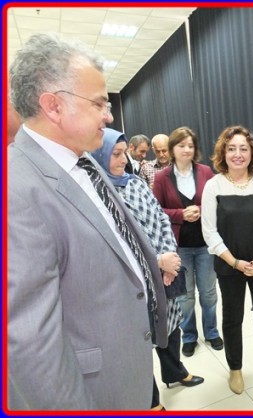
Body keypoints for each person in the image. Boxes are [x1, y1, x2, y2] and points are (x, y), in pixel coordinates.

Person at [7, 33, 167, 410]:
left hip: (125, 368)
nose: (108, 116)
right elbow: (31, 343)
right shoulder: (15, 191)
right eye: (99, 103)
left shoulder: (83, 160)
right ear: (54, 106)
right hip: (92, 393)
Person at [91, 128, 205, 411]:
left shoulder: (135, 182)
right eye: (115, 154)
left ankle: (174, 372)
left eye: (123, 154)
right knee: (141, 340)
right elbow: (119, 240)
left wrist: (169, 257)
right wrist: (157, 261)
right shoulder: (98, 192)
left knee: (170, 326)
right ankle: (151, 401)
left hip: (166, 271)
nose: (122, 160)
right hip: (135, 281)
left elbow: (161, 218)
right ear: (99, 156)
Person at [201, 125, 253, 395]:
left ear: (252, 153)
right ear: (223, 153)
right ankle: (235, 368)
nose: (238, 154)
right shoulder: (213, 186)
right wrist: (235, 262)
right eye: (231, 149)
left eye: (243, 149)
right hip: (229, 266)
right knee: (232, 317)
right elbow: (209, 232)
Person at [153, 127, 223, 358]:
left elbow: (218, 201)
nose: (186, 150)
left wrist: (201, 209)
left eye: (190, 145)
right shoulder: (162, 177)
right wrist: (180, 214)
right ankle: (189, 336)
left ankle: (211, 332)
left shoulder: (205, 172)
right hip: (179, 246)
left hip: (205, 244)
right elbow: (156, 211)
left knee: (208, 292)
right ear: (172, 149)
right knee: (185, 296)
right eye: (181, 145)